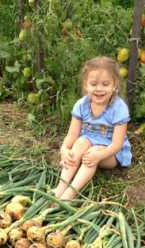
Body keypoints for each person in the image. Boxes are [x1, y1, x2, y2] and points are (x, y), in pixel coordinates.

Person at [52, 56, 132, 201]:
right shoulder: (81, 105)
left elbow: (117, 145)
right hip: (87, 145)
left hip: (110, 153)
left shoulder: (119, 108)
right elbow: (72, 135)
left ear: (115, 85)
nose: (99, 89)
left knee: (93, 151)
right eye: (93, 84)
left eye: (105, 84)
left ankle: (70, 194)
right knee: (80, 142)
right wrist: (64, 149)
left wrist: (99, 156)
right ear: (85, 85)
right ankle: (61, 187)